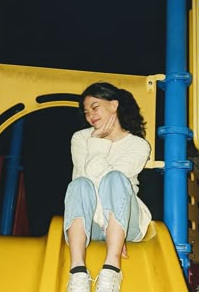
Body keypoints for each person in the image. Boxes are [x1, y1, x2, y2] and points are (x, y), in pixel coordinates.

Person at [64, 82, 151, 292]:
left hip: (126, 222)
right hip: (89, 224)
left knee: (114, 178)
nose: (90, 115)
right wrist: (95, 140)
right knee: (79, 184)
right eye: (86, 112)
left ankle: (112, 269)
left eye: (95, 107)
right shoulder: (81, 138)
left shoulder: (138, 145)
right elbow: (85, 178)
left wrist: (97, 143)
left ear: (114, 105)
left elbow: (108, 182)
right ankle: (77, 272)